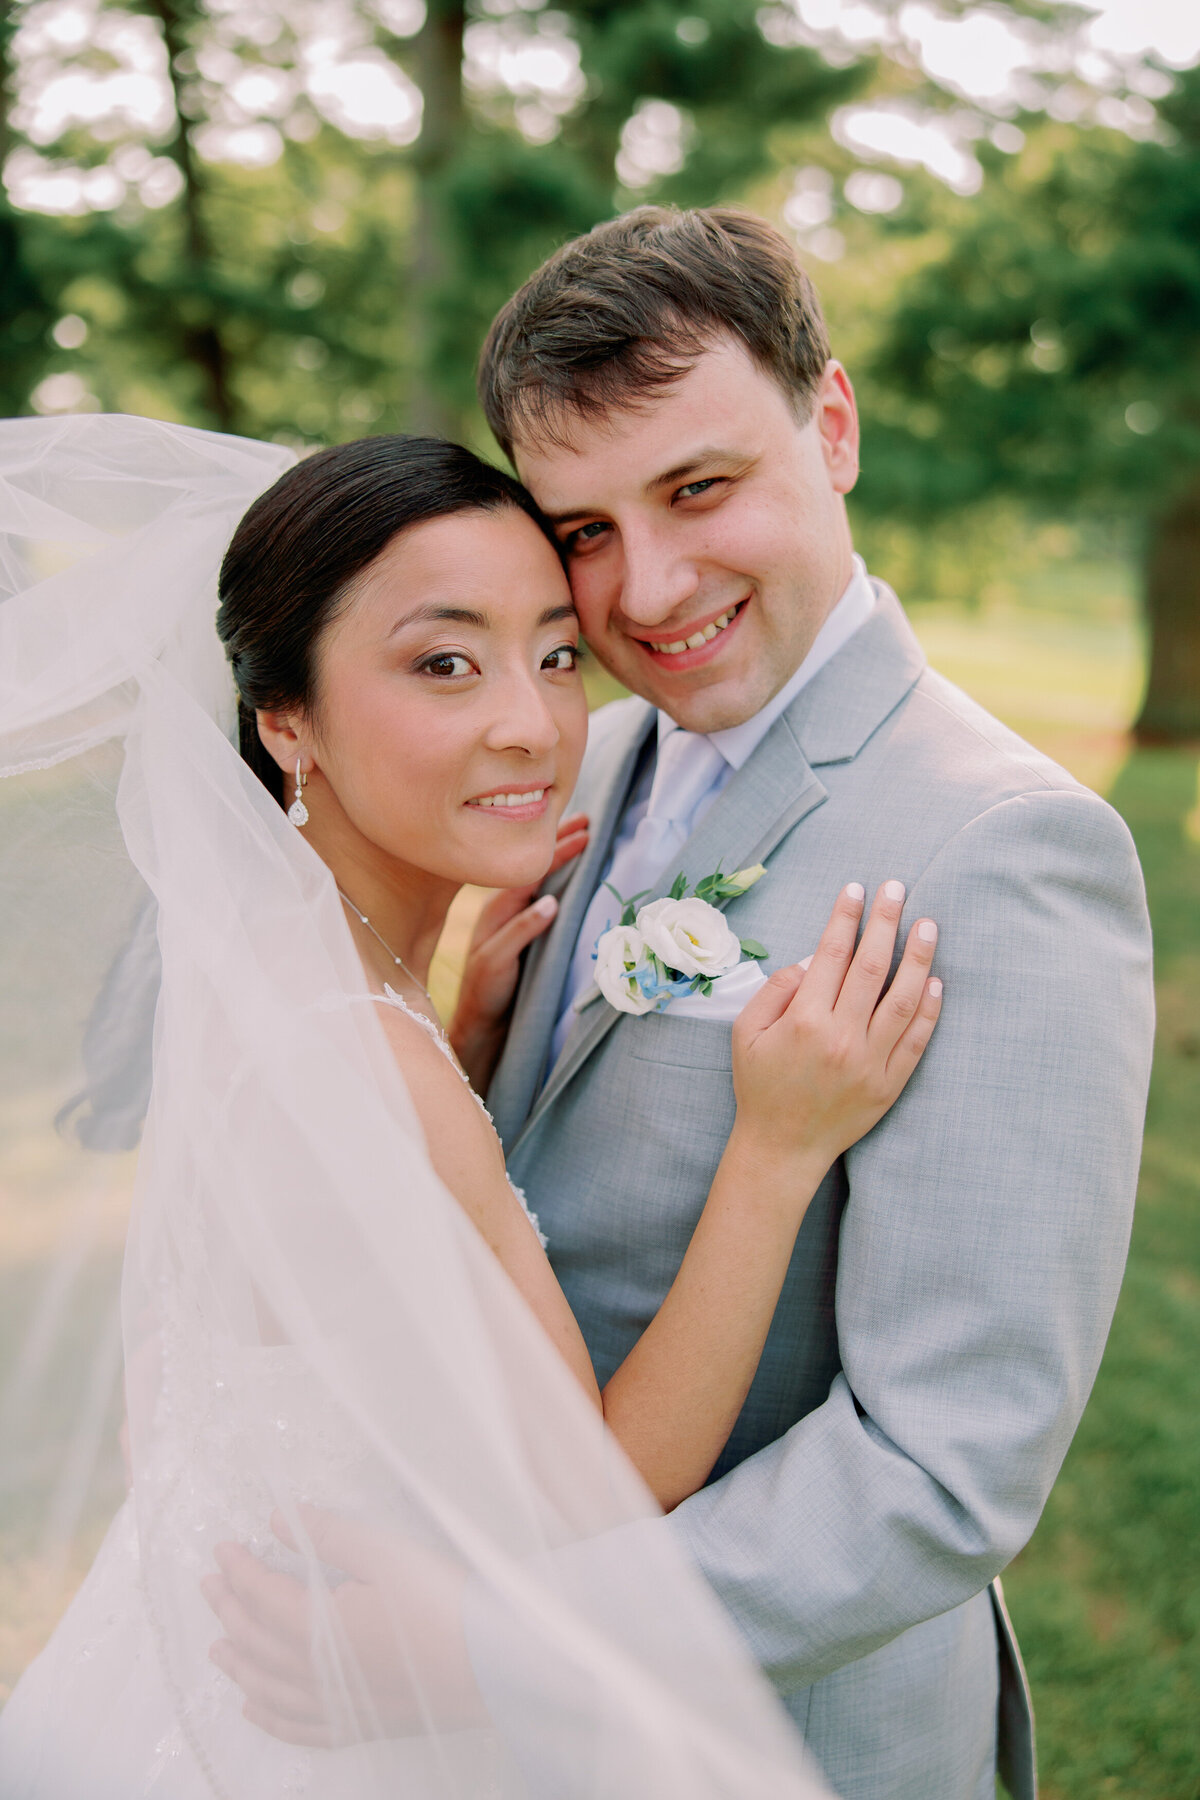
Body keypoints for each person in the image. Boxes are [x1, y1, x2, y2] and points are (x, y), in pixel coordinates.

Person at [0, 419, 939, 1799]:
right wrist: (777, 1149)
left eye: (557, 652)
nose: (532, 721)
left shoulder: (293, 974)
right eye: (444, 662)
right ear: (284, 719)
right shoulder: (354, 1050)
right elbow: (600, 1495)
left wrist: (462, 1035)